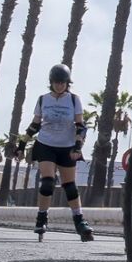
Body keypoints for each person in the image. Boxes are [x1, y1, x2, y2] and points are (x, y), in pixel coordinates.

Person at [24, 64, 93, 242]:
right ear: (51, 82)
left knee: (69, 185)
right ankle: (41, 218)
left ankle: (79, 221)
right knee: (47, 183)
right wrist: (21, 144)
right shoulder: (42, 99)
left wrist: (78, 147)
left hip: (67, 146)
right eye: (56, 82)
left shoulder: (73, 100)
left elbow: (80, 126)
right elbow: (35, 124)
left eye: (63, 83)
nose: (59, 85)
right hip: (45, 144)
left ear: (67, 83)